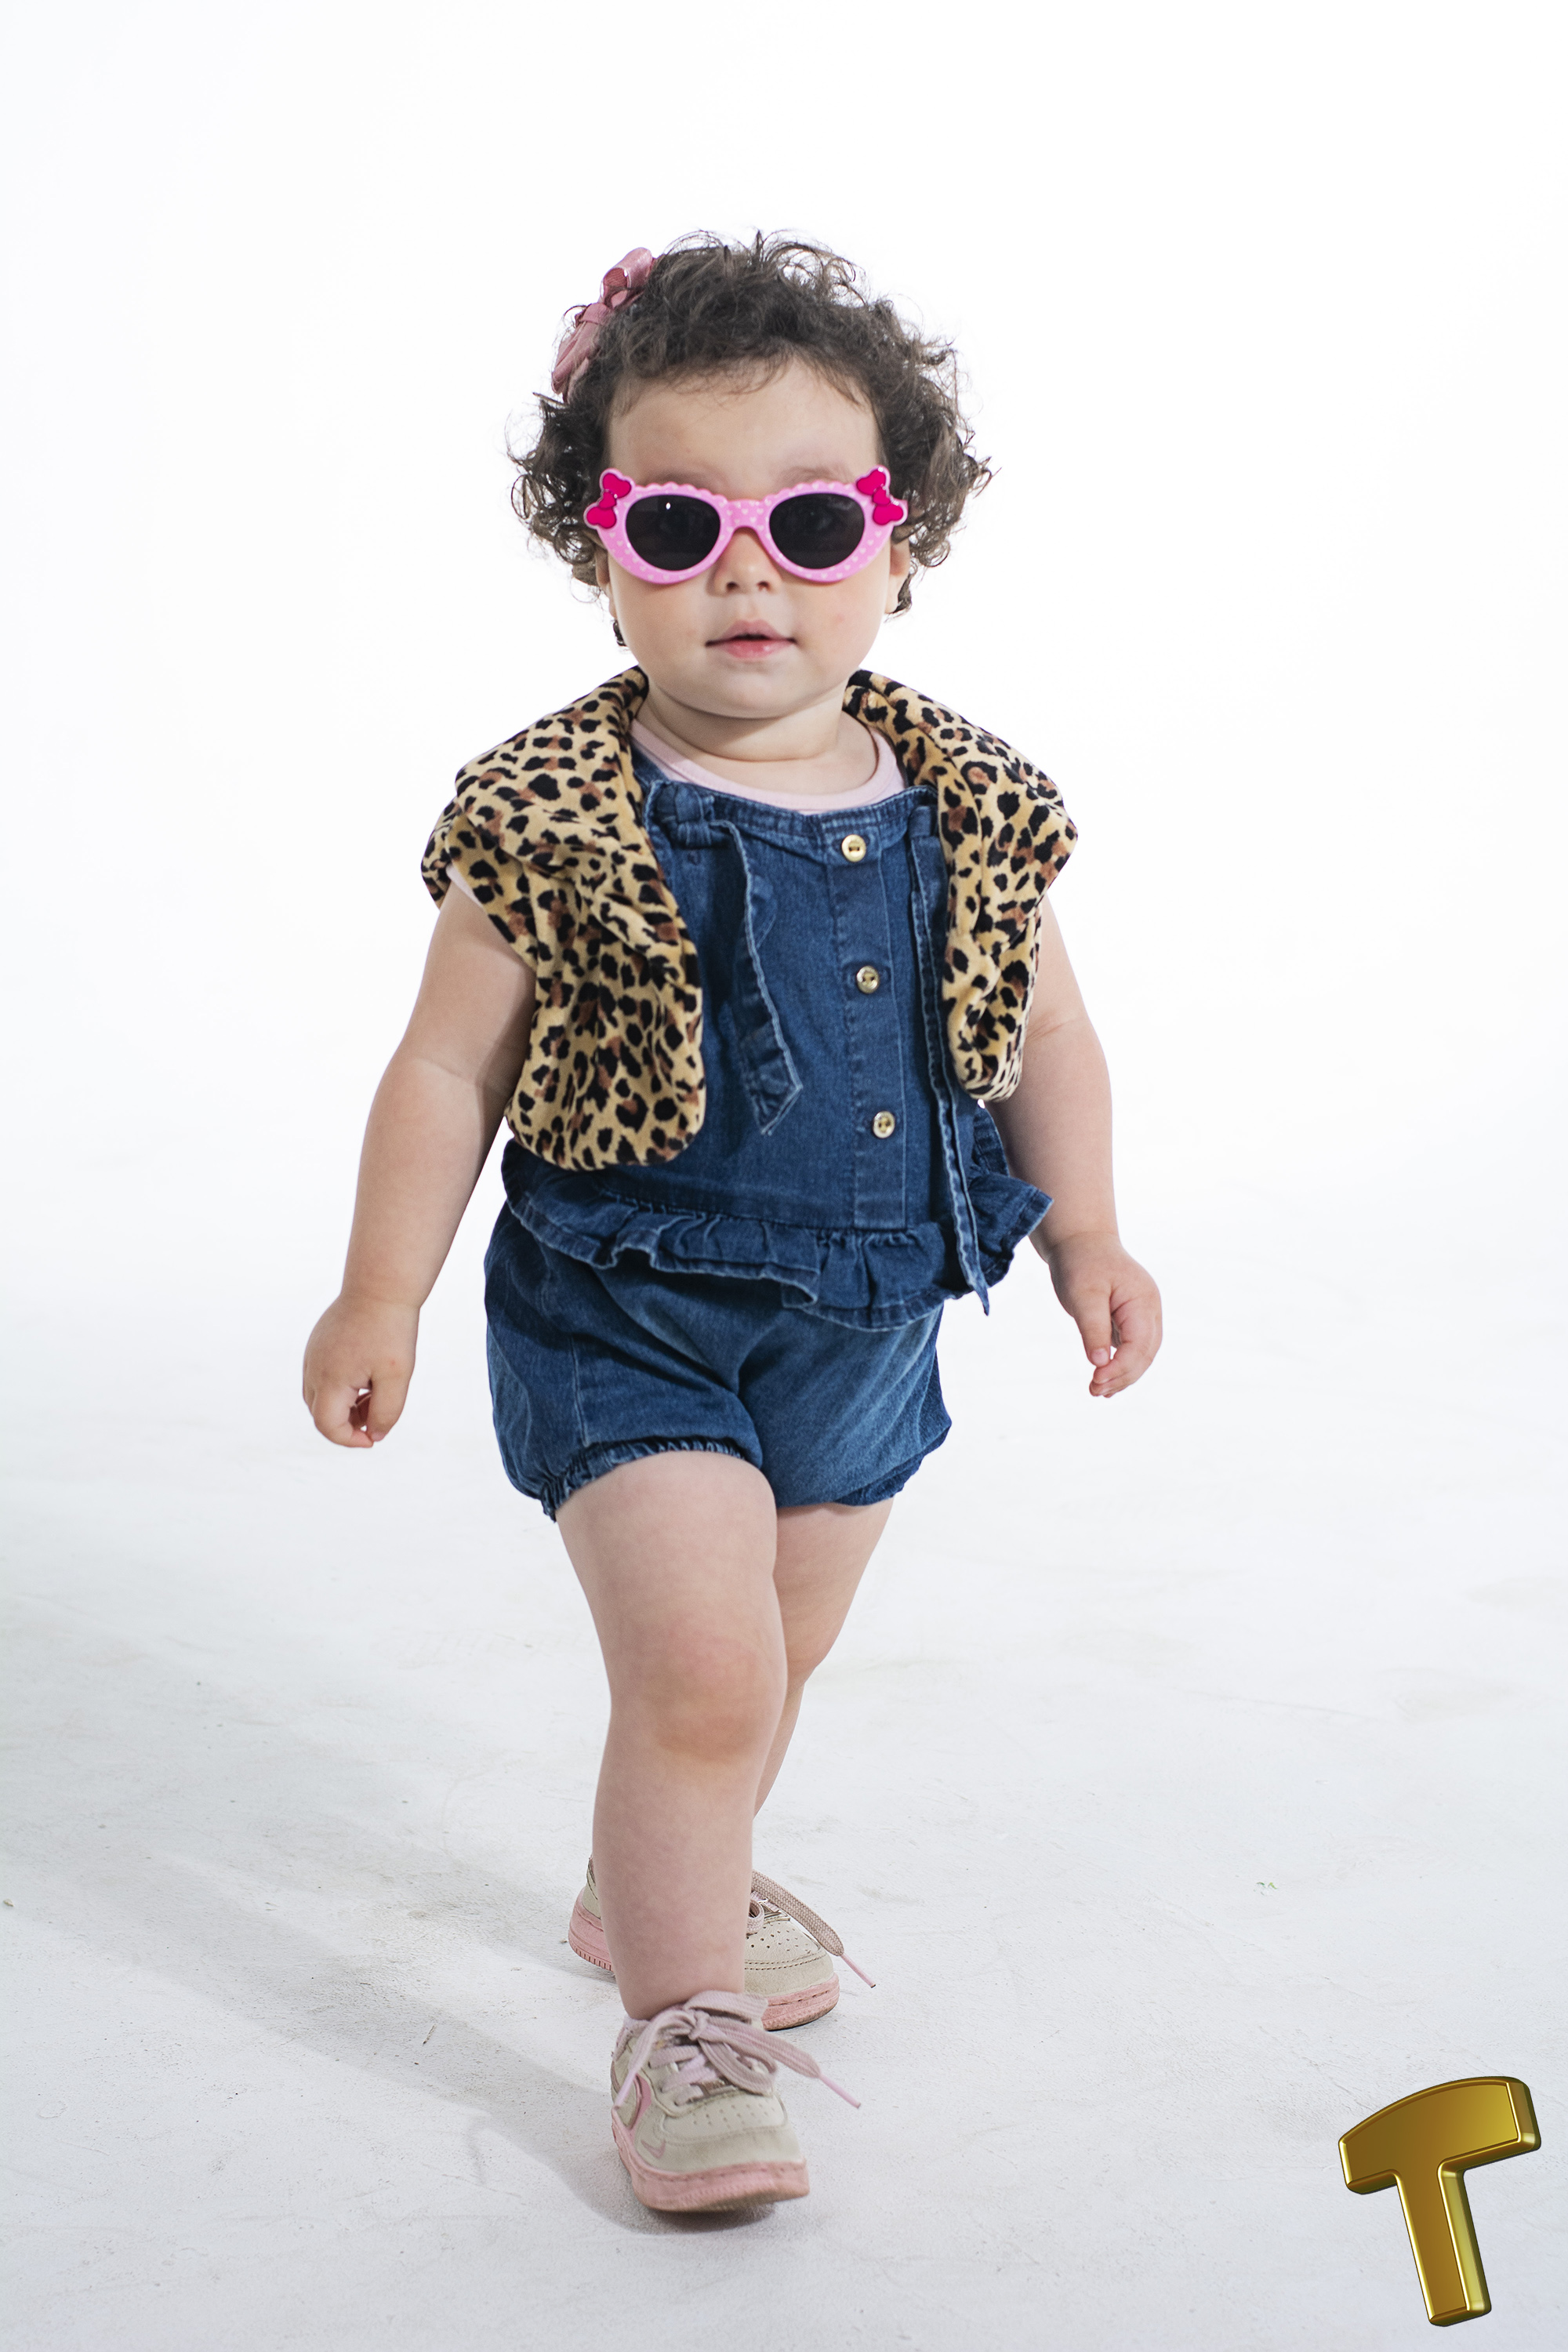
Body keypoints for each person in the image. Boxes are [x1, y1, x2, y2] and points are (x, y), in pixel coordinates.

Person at [303, 234, 1162, 2214]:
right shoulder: (552, 812)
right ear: (600, 546)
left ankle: (648, 1884)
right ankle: (683, 2025)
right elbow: (442, 1069)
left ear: (900, 542)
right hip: (626, 1315)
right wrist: (380, 1290)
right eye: (681, 525)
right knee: (698, 1677)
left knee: (769, 1665)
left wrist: (1090, 1235)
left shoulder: (971, 806)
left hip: (866, 1323)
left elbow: (1045, 1033)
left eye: (810, 523)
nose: (747, 574)